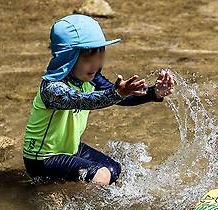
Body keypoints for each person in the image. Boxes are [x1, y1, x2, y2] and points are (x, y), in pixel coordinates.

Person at [22, 14, 175, 185]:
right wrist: (117, 92)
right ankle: (48, 193)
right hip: (42, 160)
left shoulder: (92, 78)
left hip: (69, 149)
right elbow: (85, 100)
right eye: (88, 59)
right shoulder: (52, 88)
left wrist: (155, 92)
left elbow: (120, 98)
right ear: (67, 58)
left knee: (113, 170)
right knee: (101, 176)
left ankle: (65, 188)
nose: (95, 65)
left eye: (100, 57)